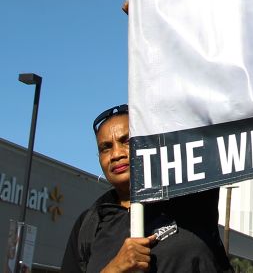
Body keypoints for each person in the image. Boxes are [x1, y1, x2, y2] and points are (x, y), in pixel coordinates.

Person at [61, 105, 231, 273]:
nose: (116, 154)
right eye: (106, 148)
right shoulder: (90, 223)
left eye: (127, 141)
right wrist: (114, 268)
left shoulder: (189, 194)